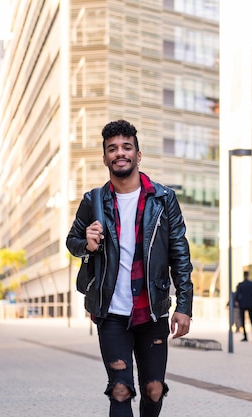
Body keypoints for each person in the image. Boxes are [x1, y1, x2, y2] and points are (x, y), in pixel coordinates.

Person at [66, 119, 193, 417]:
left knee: (154, 389)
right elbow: (72, 242)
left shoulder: (163, 199)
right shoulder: (93, 201)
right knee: (120, 389)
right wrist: (87, 244)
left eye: (126, 147)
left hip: (152, 310)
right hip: (110, 312)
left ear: (138, 154)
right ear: (105, 158)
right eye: (112, 149)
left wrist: (184, 305)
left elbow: (180, 254)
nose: (119, 153)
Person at [235, 271, 252, 341]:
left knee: (243, 320)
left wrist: (237, 302)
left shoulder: (240, 285)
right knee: (251, 320)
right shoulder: (251, 284)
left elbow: (237, 295)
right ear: (248, 275)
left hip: (242, 304)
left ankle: (245, 336)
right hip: (250, 304)